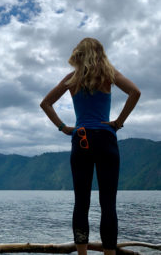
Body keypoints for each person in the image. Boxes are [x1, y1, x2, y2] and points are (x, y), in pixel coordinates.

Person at [39, 37, 141, 255]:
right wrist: (118, 122)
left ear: (78, 54)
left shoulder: (72, 79)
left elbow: (45, 103)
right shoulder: (109, 74)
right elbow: (135, 92)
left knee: (81, 202)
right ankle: (109, 253)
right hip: (106, 139)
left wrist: (64, 128)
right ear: (100, 53)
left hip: (81, 138)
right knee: (108, 203)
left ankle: (82, 253)